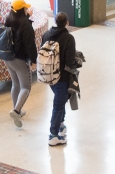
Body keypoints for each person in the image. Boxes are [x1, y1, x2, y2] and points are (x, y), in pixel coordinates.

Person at [42, 11, 77, 146]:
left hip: (49, 76)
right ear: (67, 23)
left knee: (60, 100)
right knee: (58, 104)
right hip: (62, 77)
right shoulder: (68, 38)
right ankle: (53, 135)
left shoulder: (46, 35)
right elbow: (69, 61)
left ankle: (61, 125)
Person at [4, 0, 38, 128]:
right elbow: (30, 45)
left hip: (8, 57)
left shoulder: (9, 19)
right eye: (25, 8)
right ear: (21, 10)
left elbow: (18, 25)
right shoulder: (26, 24)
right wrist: (34, 61)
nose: (27, 9)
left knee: (15, 84)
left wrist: (28, 16)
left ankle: (16, 108)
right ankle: (16, 110)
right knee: (26, 87)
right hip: (20, 59)